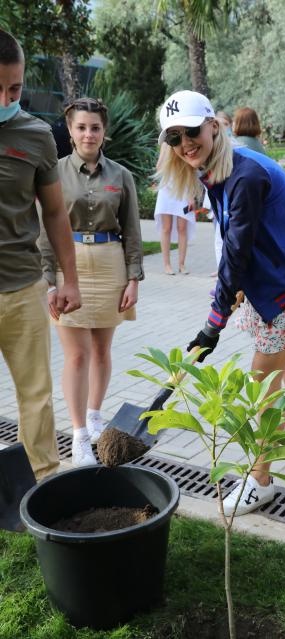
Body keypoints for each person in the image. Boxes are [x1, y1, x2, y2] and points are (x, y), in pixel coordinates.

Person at [157, 90, 285, 516]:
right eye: (174, 137)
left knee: (259, 385)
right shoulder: (216, 169)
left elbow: (237, 249)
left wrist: (214, 321)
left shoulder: (245, 175)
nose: (185, 143)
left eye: (192, 131)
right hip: (272, 283)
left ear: (214, 126)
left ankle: (261, 480)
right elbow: (235, 247)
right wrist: (223, 304)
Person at [38, 97, 143, 467]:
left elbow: (131, 232)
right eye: (81, 127)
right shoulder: (53, 172)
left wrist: (134, 279)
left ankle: (96, 416)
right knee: (77, 355)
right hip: (71, 267)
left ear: (104, 131)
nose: (88, 134)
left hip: (110, 265)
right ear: (69, 131)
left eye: (95, 127)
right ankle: (80, 436)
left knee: (101, 351)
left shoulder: (121, 176)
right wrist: (50, 282)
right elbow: (44, 230)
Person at [0, 29, 80, 480]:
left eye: (14, 88)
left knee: (36, 395)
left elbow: (54, 212)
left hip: (23, 288)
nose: (6, 97)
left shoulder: (36, 136)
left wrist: (69, 279)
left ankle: (43, 488)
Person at [154, 143, 196, 275]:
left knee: (182, 227)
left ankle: (181, 264)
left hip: (183, 188)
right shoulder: (165, 144)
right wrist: (166, 148)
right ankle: (167, 264)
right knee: (166, 227)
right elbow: (159, 167)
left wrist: (191, 196)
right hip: (166, 187)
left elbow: (190, 169)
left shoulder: (185, 143)